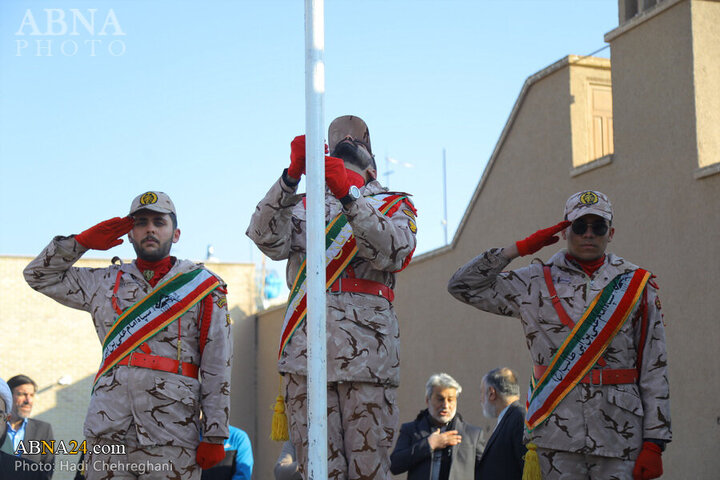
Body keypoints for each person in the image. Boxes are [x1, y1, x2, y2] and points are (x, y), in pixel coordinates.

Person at [448, 191, 671, 480]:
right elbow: (462, 285)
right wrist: (518, 249)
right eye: (580, 226)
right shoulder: (533, 281)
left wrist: (655, 441)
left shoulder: (636, 284)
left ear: (611, 233)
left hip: (619, 434)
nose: (589, 234)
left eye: (598, 227)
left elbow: (655, 365)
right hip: (556, 434)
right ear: (565, 230)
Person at [247, 115, 418, 480]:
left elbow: (394, 252)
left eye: (356, 139)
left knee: (369, 471)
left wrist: (349, 197)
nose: (348, 139)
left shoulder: (393, 204)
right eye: (339, 138)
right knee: (319, 471)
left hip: (368, 358)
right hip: (306, 357)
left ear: (372, 161)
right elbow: (264, 237)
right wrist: (290, 177)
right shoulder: (301, 204)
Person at [24, 191, 233, 480]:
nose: (150, 229)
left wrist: (215, 433)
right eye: (141, 222)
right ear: (130, 234)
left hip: (172, 431)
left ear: (176, 233)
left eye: (159, 222)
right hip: (109, 431)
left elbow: (217, 363)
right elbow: (37, 275)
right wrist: (81, 242)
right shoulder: (103, 281)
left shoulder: (201, 286)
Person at [389, 373, 484, 480]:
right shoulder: (411, 430)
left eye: (450, 400)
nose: (445, 405)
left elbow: (487, 472)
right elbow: (394, 465)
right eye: (440, 399)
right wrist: (429, 444)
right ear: (427, 400)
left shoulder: (472, 434)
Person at [476, 367, 526, 480]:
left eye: (482, 393)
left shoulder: (518, 418)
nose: (480, 400)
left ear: (491, 393)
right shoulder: (510, 418)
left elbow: (526, 468)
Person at [1, 377, 49, 480]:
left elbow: (47, 468)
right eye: (22, 394)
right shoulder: (1, 428)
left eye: (31, 395)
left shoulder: (43, 429)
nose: (28, 400)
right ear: (10, 396)